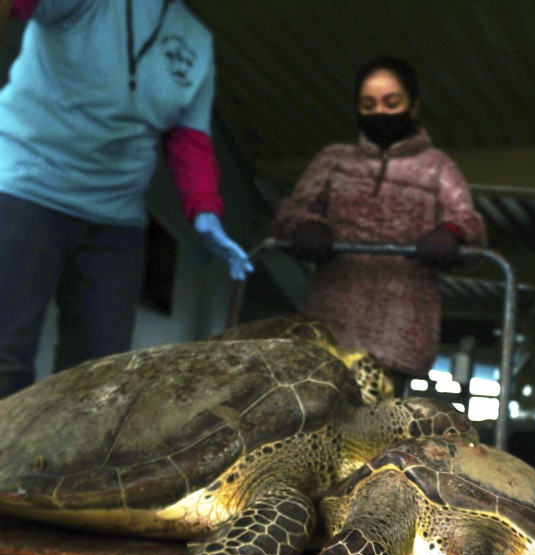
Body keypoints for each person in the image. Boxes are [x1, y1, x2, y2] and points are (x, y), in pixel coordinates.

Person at [0, 0, 253, 397]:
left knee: (98, 377)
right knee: (5, 352)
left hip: (117, 221)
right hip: (27, 187)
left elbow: (190, 137)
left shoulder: (198, 41)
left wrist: (205, 209)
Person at [273, 55, 486, 395]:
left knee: (381, 420)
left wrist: (451, 233)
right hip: (329, 328)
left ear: (413, 107)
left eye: (391, 102)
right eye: (369, 105)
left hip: (400, 333)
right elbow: (291, 212)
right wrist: (305, 225)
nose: (380, 112)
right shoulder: (334, 160)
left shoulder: (436, 167)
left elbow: (467, 219)